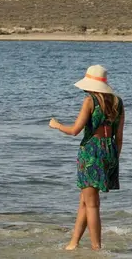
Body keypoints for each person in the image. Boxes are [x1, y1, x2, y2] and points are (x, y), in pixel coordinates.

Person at [49, 65, 125, 251]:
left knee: (92, 204)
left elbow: (74, 130)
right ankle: (73, 243)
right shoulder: (118, 102)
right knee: (85, 200)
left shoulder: (90, 101)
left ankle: (96, 248)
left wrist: (57, 125)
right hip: (110, 151)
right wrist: (114, 159)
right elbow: (119, 136)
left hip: (91, 151)